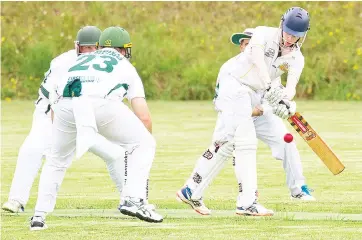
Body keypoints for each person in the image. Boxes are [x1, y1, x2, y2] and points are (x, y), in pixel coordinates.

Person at [177, 7, 314, 216]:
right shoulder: (262, 33)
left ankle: (191, 190)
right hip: (235, 86)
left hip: (256, 94)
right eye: (287, 32)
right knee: (245, 142)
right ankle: (247, 202)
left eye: (296, 36)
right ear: (281, 25)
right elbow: (259, 61)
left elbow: (291, 86)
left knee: (225, 142)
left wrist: (287, 101)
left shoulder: (297, 57)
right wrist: (269, 85)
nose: (289, 38)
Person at [29, 26, 163, 230]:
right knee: (144, 143)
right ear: (123, 49)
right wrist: (141, 147)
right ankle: (133, 198)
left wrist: (64, 130)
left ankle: (38, 216)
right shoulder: (125, 65)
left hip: (65, 105)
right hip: (101, 104)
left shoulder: (78, 60)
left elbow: (56, 99)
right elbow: (143, 116)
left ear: (100, 46)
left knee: (56, 160)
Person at [2, 26, 127, 213]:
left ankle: (131, 200)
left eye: (93, 48)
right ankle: (16, 200)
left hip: (85, 119)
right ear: (77, 46)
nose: (89, 52)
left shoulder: (107, 66)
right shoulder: (62, 63)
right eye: (85, 48)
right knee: (33, 149)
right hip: (51, 115)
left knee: (115, 154)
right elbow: (52, 100)